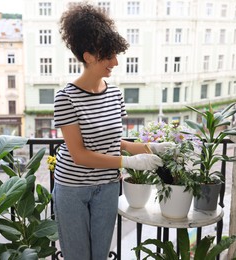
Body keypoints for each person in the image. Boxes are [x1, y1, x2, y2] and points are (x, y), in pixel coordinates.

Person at [53, 3, 172, 260]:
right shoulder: (66, 98)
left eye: (115, 54)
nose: (115, 62)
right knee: (77, 256)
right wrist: (128, 162)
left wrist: (153, 148)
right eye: (108, 56)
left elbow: (114, 142)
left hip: (107, 187)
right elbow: (79, 155)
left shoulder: (115, 94)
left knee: (99, 256)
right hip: (72, 189)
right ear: (88, 56)